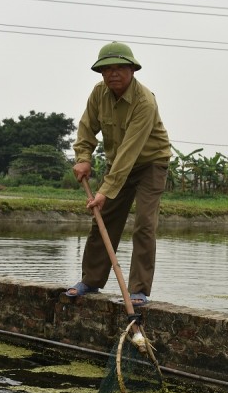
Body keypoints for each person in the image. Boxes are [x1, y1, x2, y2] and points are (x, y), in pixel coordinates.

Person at [66, 42, 171, 307]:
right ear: (101, 74)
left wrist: (103, 191)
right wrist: (83, 158)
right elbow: (86, 127)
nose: (113, 74)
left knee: (144, 224)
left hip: (150, 163)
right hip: (119, 165)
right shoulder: (98, 93)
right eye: (107, 69)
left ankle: (138, 290)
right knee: (104, 219)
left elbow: (129, 152)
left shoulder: (144, 102)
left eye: (119, 68)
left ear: (132, 70)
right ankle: (90, 281)